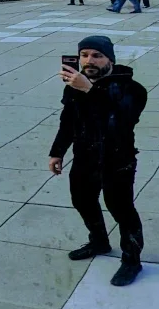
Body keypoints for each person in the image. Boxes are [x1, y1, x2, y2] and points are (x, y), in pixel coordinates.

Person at [50, 36, 147, 287]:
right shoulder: (74, 85)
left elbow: (121, 122)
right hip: (85, 157)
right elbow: (68, 122)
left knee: (121, 208)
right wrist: (57, 152)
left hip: (118, 160)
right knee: (81, 200)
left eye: (97, 55)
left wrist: (89, 90)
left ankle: (132, 260)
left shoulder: (132, 89)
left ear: (110, 59)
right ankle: (99, 241)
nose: (89, 61)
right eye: (84, 55)